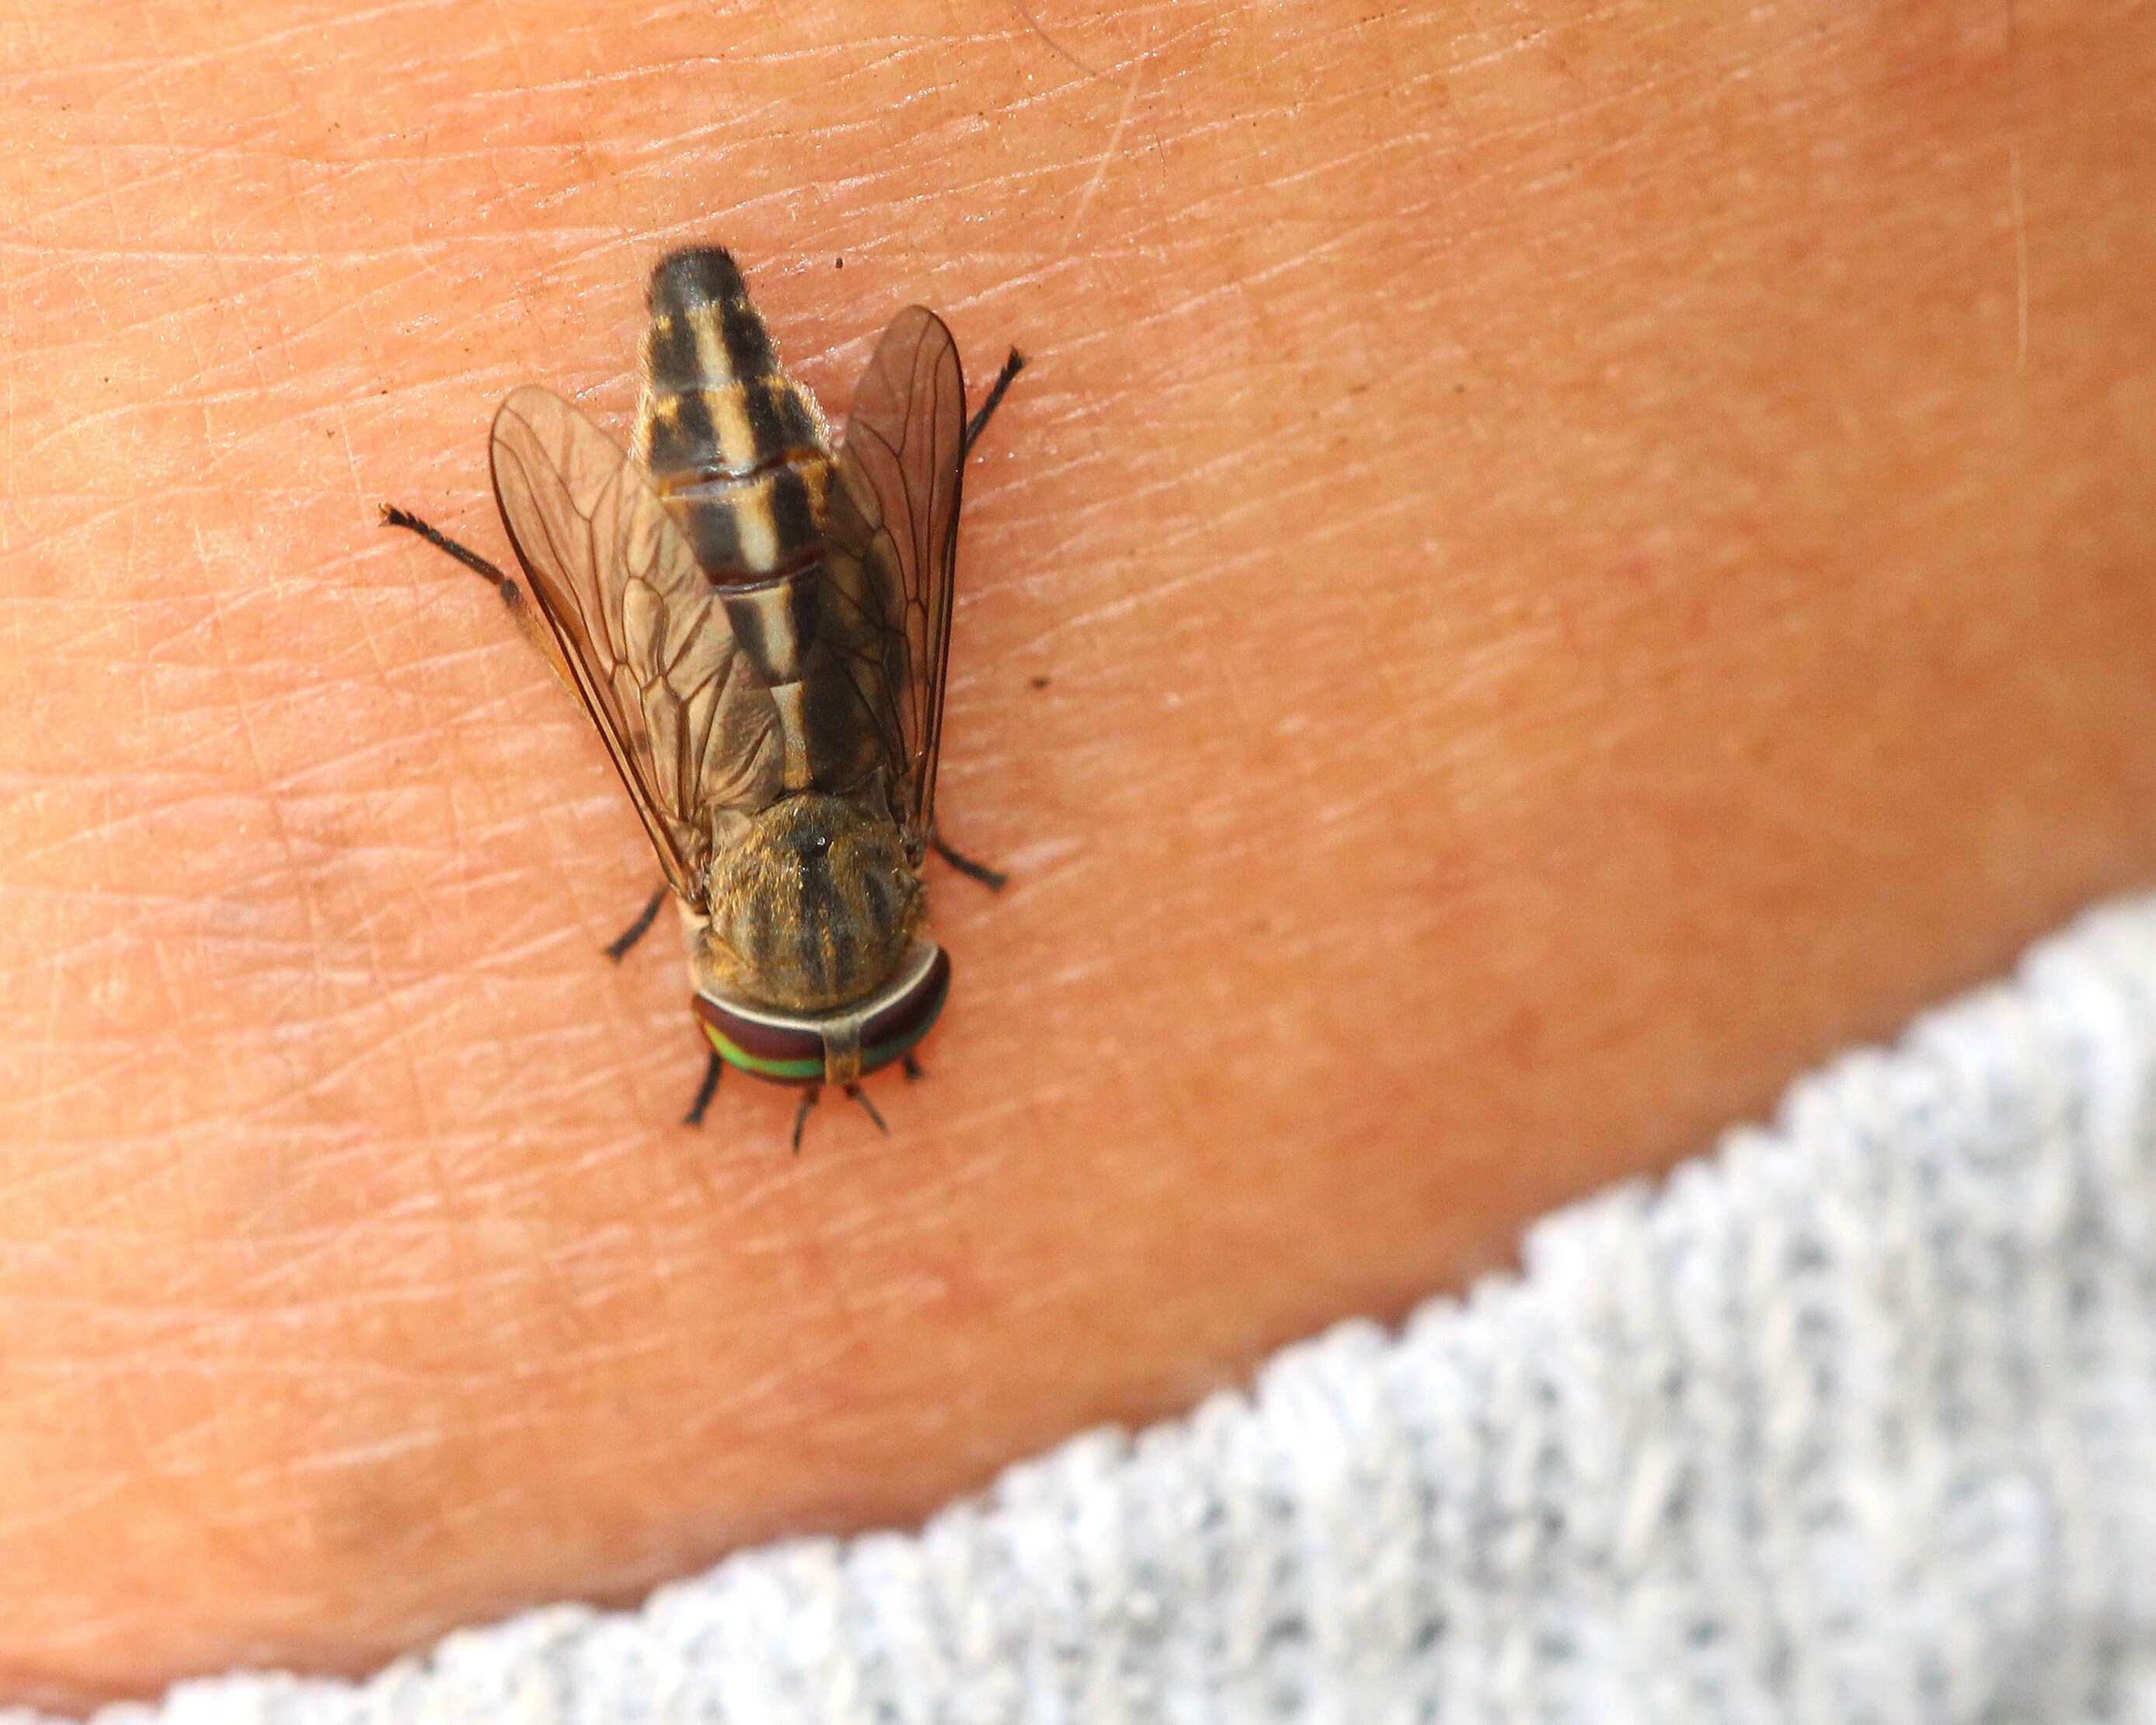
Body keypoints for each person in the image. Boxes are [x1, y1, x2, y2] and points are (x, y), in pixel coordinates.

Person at [3, 0, 2151, 1711]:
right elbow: (812, 594)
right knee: (756, 641)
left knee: (685, 651)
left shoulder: (754, 871)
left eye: (791, 1009)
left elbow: (683, 617)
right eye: (862, 990)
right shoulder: (819, 841)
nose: (836, 1017)